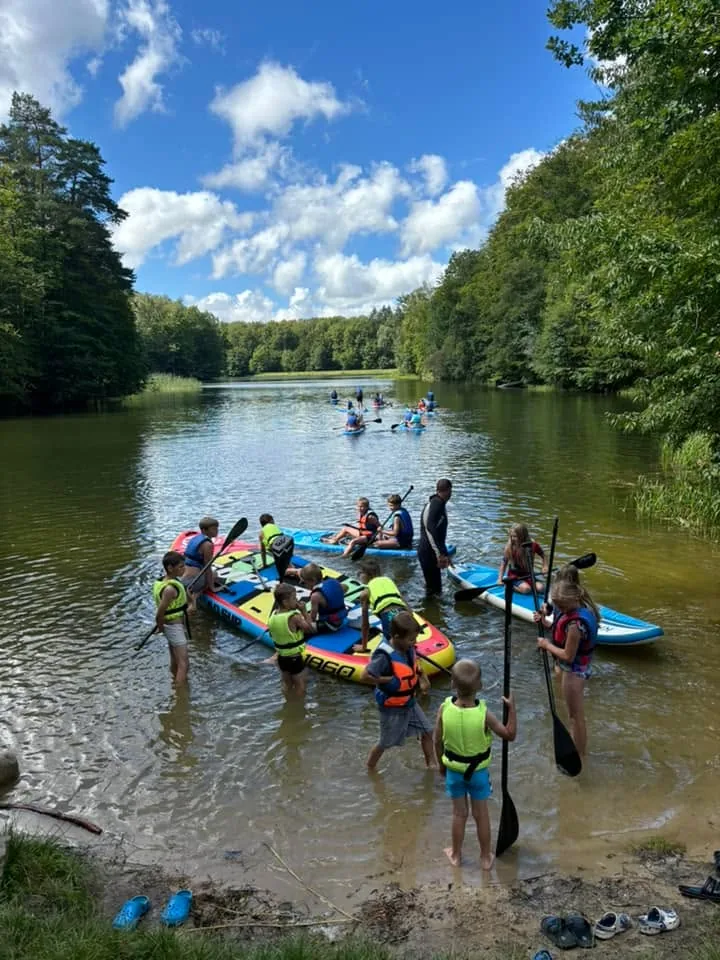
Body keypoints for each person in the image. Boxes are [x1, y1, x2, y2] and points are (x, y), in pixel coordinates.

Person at [434, 659, 517, 869]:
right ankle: (485, 858)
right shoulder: (484, 714)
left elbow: (437, 740)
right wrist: (512, 709)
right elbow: (509, 734)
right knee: (481, 815)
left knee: (458, 814)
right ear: (480, 686)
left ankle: (455, 855)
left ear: (452, 683)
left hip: (453, 772)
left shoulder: (444, 709)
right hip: (478, 773)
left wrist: (440, 765)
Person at [535, 575, 599, 757]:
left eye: (561, 607)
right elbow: (559, 631)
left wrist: (546, 645)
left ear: (572, 600)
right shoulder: (581, 609)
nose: (560, 610)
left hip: (574, 672)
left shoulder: (574, 625)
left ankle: (579, 755)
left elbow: (568, 656)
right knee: (574, 716)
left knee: (575, 717)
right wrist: (545, 623)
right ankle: (577, 749)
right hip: (579, 669)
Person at [362, 610, 434, 771]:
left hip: (409, 702)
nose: (414, 642)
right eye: (411, 639)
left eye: (415, 638)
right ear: (396, 637)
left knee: (428, 731)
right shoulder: (383, 655)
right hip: (391, 707)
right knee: (385, 743)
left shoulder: (407, 649)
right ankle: (370, 768)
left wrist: (422, 677)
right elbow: (365, 676)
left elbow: (412, 667)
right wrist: (386, 680)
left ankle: (432, 766)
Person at [267, 583, 314, 698]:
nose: (297, 600)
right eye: (294, 598)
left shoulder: (273, 615)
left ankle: (287, 702)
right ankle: (297, 708)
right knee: (300, 683)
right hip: (294, 657)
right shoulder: (294, 617)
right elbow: (310, 629)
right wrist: (304, 611)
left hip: (282, 658)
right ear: (285, 602)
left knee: (286, 683)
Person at [355, 557, 409, 652]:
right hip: (403, 613)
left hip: (389, 617)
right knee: (405, 639)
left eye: (360, 574)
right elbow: (405, 604)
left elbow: (365, 624)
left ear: (366, 575)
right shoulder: (388, 581)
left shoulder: (365, 593)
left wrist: (363, 647)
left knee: (390, 647)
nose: (359, 576)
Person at [153, 551, 190, 684]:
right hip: (174, 627)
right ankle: (180, 695)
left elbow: (185, 599)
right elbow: (160, 613)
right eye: (180, 567)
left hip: (172, 627)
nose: (184, 569)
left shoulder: (168, 581)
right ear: (170, 568)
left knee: (175, 659)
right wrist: (161, 627)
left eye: (184, 566)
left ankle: (174, 683)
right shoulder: (169, 589)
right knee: (184, 663)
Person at [417, 479, 453, 596]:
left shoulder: (438, 503)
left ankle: (433, 612)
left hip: (429, 550)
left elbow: (437, 532)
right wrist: (440, 554)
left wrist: (445, 553)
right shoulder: (436, 504)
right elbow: (431, 529)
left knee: (435, 588)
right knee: (434, 589)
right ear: (448, 491)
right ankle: (430, 609)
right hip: (428, 551)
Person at [497, 523, 547, 594]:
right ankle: (509, 586)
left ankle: (527, 586)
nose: (512, 539)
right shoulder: (509, 547)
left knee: (541, 588)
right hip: (514, 576)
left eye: (515, 536)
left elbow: (543, 554)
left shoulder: (533, 545)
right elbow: (504, 563)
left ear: (523, 536)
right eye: (511, 536)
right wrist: (500, 579)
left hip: (529, 575)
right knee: (526, 589)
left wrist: (545, 566)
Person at [298, 563, 348, 631]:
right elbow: (345, 588)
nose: (304, 585)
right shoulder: (334, 581)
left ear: (313, 580)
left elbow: (312, 618)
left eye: (304, 582)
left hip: (331, 625)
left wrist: (303, 611)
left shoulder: (315, 596)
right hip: (342, 618)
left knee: (303, 626)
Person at [183, 516, 222, 595]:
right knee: (215, 575)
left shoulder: (195, 538)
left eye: (217, 528)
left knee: (213, 574)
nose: (217, 531)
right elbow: (207, 567)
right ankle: (195, 596)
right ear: (204, 530)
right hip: (192, 582)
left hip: (184, 577)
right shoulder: (208, 545)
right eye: (213, 529)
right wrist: (212, 588)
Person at [258, 513, 294, 582]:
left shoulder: (261, 533)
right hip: (288, 541)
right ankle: (293, 569)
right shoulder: (275, 527)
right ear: (271, 521)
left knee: (282, 571)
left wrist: (264, 564)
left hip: (276, 546)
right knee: (287, 560)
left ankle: (297, 572)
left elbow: (263, 551)